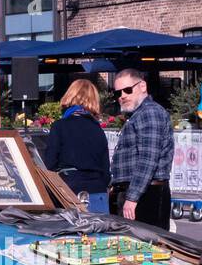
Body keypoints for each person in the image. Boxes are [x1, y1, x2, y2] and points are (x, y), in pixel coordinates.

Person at [108, 69, 172, 229]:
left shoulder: (149, 112)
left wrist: (132, 198)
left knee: (145, 248)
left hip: (147, 194)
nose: (122, 95)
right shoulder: (139, 114)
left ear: (142, 86)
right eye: (118, 92)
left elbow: (148, 159)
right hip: (138, 191)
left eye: (128, 90)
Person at [44, 78, 110, 213]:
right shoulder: (98, 130)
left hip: (69, 191)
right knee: (98, 233)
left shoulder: (60, 126)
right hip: (97, 192)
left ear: (70, 96)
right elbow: (106, 170)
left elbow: (49, 164)